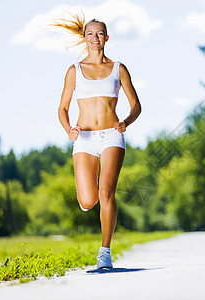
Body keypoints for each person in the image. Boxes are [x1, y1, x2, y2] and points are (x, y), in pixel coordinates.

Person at [55, 14, 141, 269]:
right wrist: (68, 128)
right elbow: (62, 108)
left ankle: (105, 251)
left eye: (100, 34)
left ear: (107, 38)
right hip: (84, 139)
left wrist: (126, 121)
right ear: (85, 38)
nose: (95, 38)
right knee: (87, 200)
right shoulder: (74, 71)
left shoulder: (118, 69)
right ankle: (86, 197)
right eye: (90, 34)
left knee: (107, 192)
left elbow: (136, 105)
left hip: (112, 136)